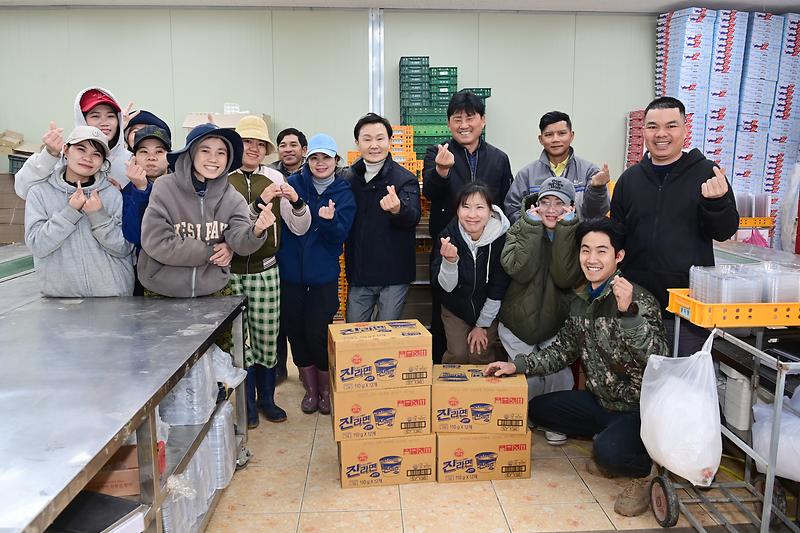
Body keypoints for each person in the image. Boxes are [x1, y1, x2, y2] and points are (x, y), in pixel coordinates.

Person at [486, 217, 668, 518]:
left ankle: (644, 471)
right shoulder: (582, 300)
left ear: (618, 256)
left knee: (609, 453)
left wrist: (629, 314)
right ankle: (608, 440)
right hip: (600, 401)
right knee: (538, 409)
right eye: (585, 250)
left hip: (638, 408)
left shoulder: (638, 299)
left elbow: (657, 359)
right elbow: (561, 352)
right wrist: (515, 366)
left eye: (601, 251)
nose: (591, 259)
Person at [610, 96, 739, 355]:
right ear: (643, 130)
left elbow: (725, 230)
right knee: (639, 383)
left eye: (671, 125)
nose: (661, 134)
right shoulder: (629, 179)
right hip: (638, 306)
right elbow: (618, 236)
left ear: (685, 129)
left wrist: (717, 203)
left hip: (688, 309)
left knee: (683, 385)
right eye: (652, 126)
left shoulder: (707, 173)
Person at [228, 115, 312, 428]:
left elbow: (299, 226)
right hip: (231, 272)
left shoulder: (276, 178)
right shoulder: (223, 180)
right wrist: (256, 204)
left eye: (258, 143)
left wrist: (297, 201)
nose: (252, 148)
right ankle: (246, 403)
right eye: (246, 142)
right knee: (239, 342)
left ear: (266, 149)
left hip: (266, 271)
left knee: (265, 337)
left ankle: (267, 399)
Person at [422, 90, 513, 361]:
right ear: (449, 123)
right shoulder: (438, 153)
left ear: (482, 121)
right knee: (444, 306)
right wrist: (441, 171)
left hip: (489, 248)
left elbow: (506, 202)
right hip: (449, 243)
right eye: (457, 118)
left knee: (489, 297)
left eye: (470, 117)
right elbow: (429, 192)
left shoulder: (499, 158)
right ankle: (442, 372)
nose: (464, 124)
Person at [137, 123, 273, 301]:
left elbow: (241, 243)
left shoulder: (232, 197)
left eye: (221, 153)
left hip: (213, 289)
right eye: (205, 151)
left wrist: (256, 231)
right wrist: (210, 252)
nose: (213, 159)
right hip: (162, 291)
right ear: (191, 152)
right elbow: (157, 241)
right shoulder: (164, 187)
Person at [497, 176, 584, 445]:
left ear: (570, 207)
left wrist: (566, 232)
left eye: (559, 203)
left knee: (559, 374)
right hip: (517, 319)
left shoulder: (578, 234)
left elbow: (564, 277)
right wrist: (532, 229)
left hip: (557, 321)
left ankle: (555, 420)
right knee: (529, 375)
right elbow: (517, 271)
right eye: (545, 201)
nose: (550, 209)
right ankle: (533, 415)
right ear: (536, 204)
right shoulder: (521, 227)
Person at [277, 134, 355, 415]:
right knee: (296, 332)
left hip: (323, 276)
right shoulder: (293, 185)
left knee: (318, 333)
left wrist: (330, 221)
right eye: (315, 158)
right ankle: (309, 389)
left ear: (336, 161)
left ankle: (324, 389)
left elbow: (339, 238)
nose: (320, 163)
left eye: (326, 158)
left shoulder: (344, 193)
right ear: (307, 160)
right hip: (291, 275)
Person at [24, 126, 134, 297]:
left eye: (96, 154)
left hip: (113, 296)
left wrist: (99, 216)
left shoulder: (112, 194)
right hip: (62, 301)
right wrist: (70, 212)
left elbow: (125, 247)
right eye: (81, 149)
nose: (87, 158)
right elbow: (37, 245)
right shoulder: (40, 193)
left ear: (103, 162)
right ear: (66, 150)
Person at [344, 113, 421, 322]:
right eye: (367, 139)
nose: (374, 145)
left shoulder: (405, 179)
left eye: (380, 138)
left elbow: (414, 215)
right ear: (357, 143)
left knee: (386, 337)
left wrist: (398, 209)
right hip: (360, 272)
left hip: (393, 274)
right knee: (353, 333)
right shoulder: (347, 178)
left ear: (389, 141)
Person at [431, 182, 509, 364]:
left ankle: (483, 391)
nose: (472, 215)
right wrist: (450, 263)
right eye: (465, 207)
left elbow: (499, 286)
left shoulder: (501, 238)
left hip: (488, 306)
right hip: (455, 307)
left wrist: (482, 325)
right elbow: (446, 288)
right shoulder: (447, 236)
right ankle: (450, 391)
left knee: (478, 353)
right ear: (457, 211)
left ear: (490, 211)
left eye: (479, 207)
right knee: (457, 354)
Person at [15, 87, 132, 199]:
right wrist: (49, 155)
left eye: (110, 116)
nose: (104, 122)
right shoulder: (65, 155)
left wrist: (121, 196)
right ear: (81, 119)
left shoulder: (130, 161)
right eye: (95, 116)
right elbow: (23, 190)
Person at [505, 111, 610, 223]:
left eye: (562, 133)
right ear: (541, 139)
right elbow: (512, 210)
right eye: (549, 134)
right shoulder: (526, 174)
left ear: (571, 135)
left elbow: (597, 214)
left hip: (577, 238)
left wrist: (598, 189)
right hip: (538, 240)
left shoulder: (589, 171)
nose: (555, 139)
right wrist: (533, 226)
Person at [269, 127, 309, 383]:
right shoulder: (271, 175)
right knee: (278, 315)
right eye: (282, 145)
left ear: (303, 150)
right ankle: (279, 367)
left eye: (293, 144)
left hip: (304, 251)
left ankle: (304, 365)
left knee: (299, 316)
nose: (288, 149)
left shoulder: (313, 172)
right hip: (276, 250)